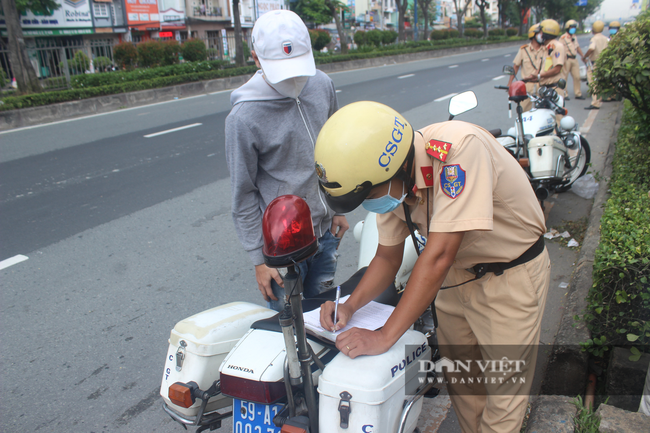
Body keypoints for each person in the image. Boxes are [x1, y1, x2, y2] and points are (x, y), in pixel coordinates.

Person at [314, 101, 550, 433]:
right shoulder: (392, 181)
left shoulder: (459, 151)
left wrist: (384, 335)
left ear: (396, 167)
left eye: (369, 195)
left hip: (508, 276)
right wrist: (350, 306)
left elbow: (437, 255)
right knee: (464, 384)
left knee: (503, 392)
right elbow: (386, 257)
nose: (369, 205)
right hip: (453, 280)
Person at [225, 10, 349, 311]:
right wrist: (259, 259)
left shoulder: (322, 84)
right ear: (256, 59)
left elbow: (334, 150)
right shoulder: (243, 118)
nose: (294, 76)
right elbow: (243, 195)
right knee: (291, 336)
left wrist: (337, 209)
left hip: (326, 236)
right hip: (282, 250)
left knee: (324, 318)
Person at [509, 24, 545, 112]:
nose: (542, 35)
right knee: (524, 112)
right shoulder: (523, 50)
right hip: (527, 86)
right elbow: (516, 66)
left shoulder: (546, 49)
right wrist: (510, 83)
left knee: (542, 112)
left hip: (542, 85)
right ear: (533, 35)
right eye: (539, 33)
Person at [523, 19, 566, 90]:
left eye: (540, 32)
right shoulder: (546, 48)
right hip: (545, 88)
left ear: (547, 32)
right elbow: (544, 69)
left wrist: (539, 76)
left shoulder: (557, 47)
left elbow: (557, 69)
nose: (539, 35)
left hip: (554, 89)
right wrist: (532, 77)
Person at [583, 20, 609, 110]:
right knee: (600, 82)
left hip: (594, 63)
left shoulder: (594, 39)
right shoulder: (606, 38)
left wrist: (585, 56)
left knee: (593, 83)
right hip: (603, 62)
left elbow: (591, 48)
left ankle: (595, 102)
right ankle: (600, 99)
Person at [559, 20, 585, 100]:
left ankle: (578, 93)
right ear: (567, 28)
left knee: (577, 77)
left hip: (574, 59)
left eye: (574, 27)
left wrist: (583, 56)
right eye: (571, 27)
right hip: (567, 59)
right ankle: (564, 94)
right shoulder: (563, 38)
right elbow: (560, 49)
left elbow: (577, 47)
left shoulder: (574, 37)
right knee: (564, 77)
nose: (573, 29)